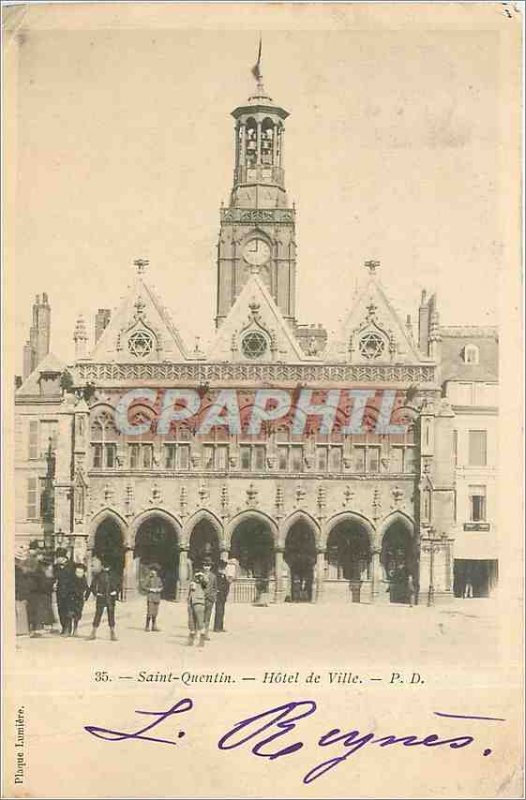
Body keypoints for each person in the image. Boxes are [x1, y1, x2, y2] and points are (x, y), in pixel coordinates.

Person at [86, 562, 120, 641]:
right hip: (101, 597)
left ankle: (112, 633)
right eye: (104, 566)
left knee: (111, 615)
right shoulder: (98, 575)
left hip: (110, 598)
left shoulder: (113, 575)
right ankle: (93, 633)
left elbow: (118, 584)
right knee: (98, 614)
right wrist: (96, 593)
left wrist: (115, 592)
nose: (105, 568)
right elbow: (93, 585)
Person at [54, 548, 74, 635]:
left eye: (57, 558)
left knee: (68, 610)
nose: (56, 559)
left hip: (69, 592)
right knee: (60, 610)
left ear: (62, 558)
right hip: (59, 591)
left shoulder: (72, 566)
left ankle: (68, 629)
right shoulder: (56, 567)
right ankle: (63, 627)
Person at [67, 563, 89, 636]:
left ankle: (75, 629)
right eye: (77, 572)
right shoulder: (71, 579)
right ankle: (69, 630)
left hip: (79, 599)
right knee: (70, 614)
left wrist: (86, 596)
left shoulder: (84, 580)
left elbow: (86, 588)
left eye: (81, 572)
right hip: (71, 598)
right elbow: (69, 587)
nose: (79, 574)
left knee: (77, 614)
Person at [187, 570, 207, 647]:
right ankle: (191, 640)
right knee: (191, 622)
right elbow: (189, 593)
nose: (197, 577)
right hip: (191, 603)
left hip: (199, 603)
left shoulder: (203, 583)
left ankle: (201, 641)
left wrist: (202, 576)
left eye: (198, 576)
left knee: (200, 622)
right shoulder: (192, 583)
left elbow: (206, 581)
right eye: (195, 576)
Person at [144, 565, 163, 632]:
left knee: (155, 613)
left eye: (155, 571)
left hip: (157, 597)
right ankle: (147, 626)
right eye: (152, 571)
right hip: (151, 597)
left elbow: (161, 586)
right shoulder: (148, 578)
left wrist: (159, 589)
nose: (154, 572)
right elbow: (144, 586)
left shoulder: (158, 579)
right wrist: (150, 589)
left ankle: (154, 626)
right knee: (149, 612)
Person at [213, 560, 230, 633]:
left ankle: (220, 626)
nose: (223, 569)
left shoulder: (224, 576)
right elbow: (216, 586)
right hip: (218, 596)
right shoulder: (216, 576)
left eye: (224, 568)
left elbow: (227, 585)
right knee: (218, 611)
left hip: (223, 596)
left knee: (222, 611)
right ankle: (216, 627)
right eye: (222, 568)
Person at [202, 560, 217, 640]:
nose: (206, 568)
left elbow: (215, 588)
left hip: (209, 599)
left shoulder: (213, 576)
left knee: (207, 617)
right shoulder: (199, 576)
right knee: (200, 617)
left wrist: (213, 597)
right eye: (205, 565)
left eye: (208, 566)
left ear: (210, 567)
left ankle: (206, 634)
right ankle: (200, 632)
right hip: (201, 599)